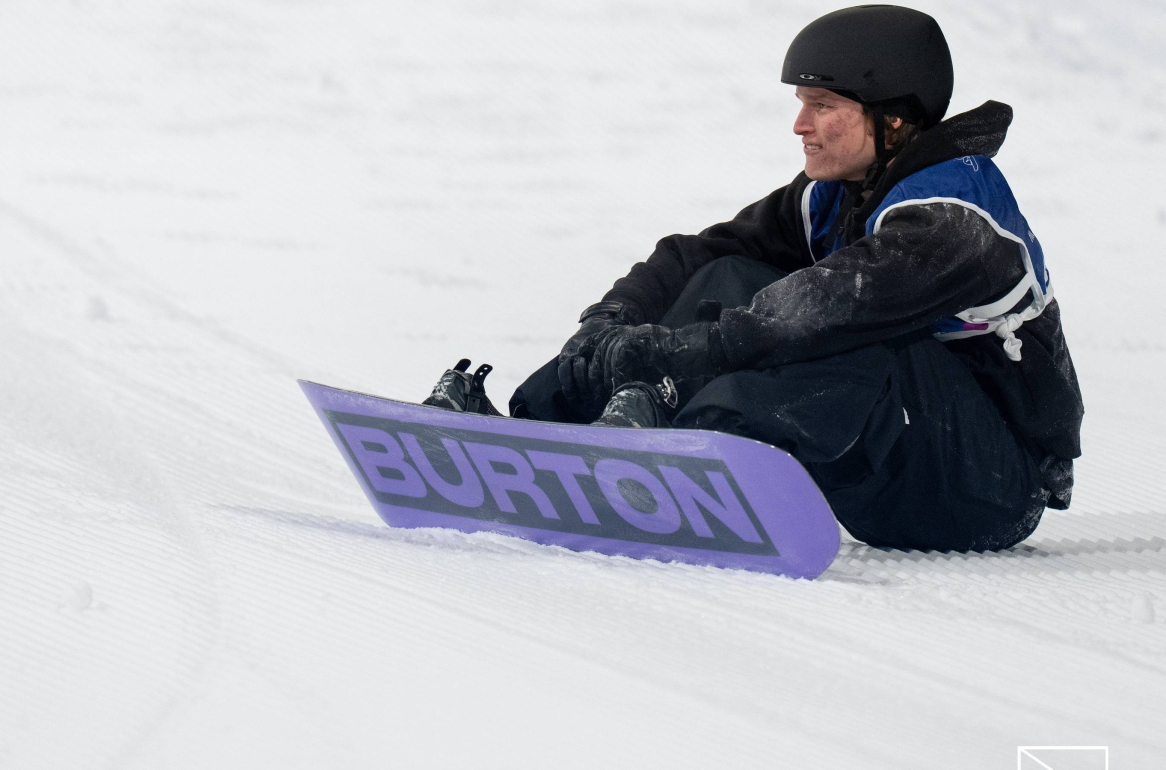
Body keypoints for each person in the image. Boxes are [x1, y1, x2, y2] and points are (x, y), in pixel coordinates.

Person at [423, 5, 1082, 553]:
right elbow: (709, 251)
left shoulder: (957, 213)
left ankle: (694, 450)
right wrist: (612, 319)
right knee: (733, 272)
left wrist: (686, 356)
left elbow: (840, 301)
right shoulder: (838, 195)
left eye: (823, 105)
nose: (800, 125)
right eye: (802, 104)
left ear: (893, 118)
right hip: (913, 461)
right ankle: (542, 431)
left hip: (988, 489)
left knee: (845, 329)